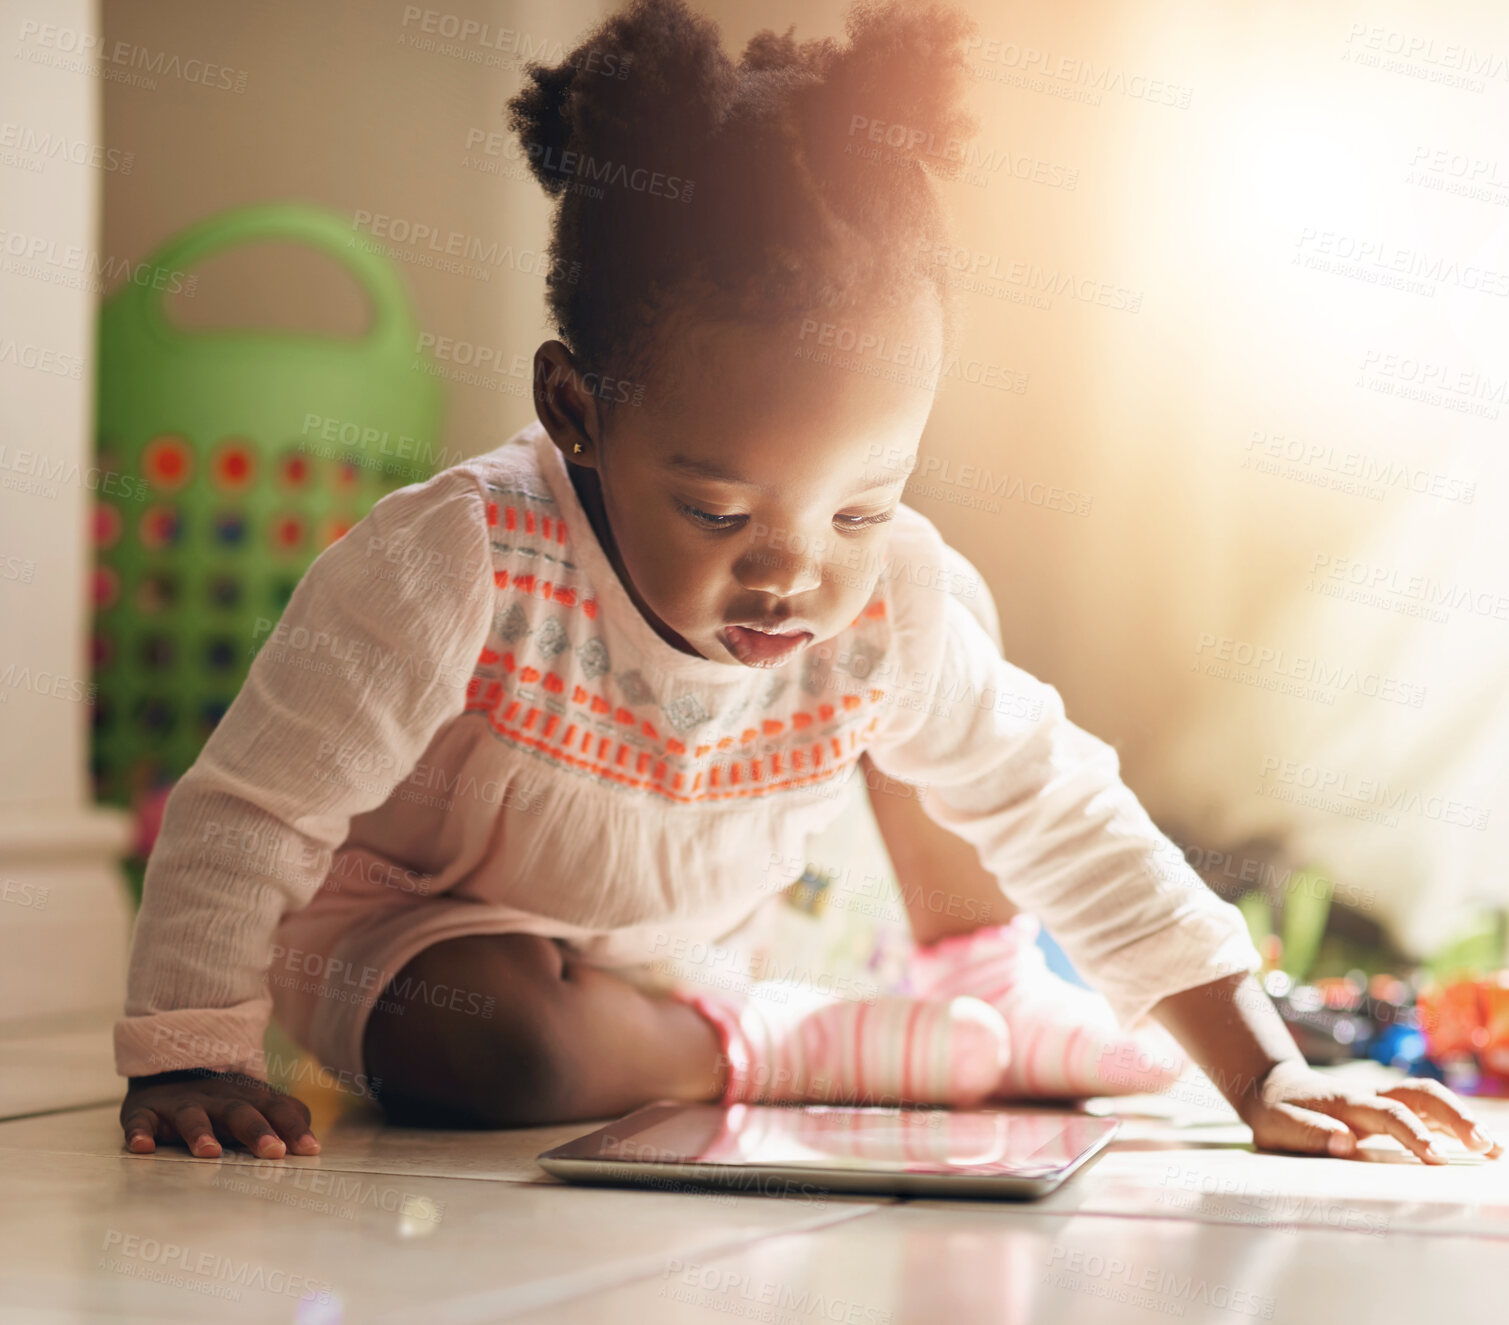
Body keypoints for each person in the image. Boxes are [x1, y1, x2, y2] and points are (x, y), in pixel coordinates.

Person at [117, 0, 1497, 1166]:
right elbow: (256, 804)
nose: (790, 568)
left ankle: (978, 1001)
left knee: (930, 648)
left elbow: (1053, 801)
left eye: (861, 500)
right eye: (719, 507)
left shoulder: (875, 590)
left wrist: (1261, 1072)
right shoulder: (458, 562)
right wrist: (187, 1052)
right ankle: (808, 1044)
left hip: (682, 949)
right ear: (574, 408)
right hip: (427, 944)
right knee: (505, 1047)